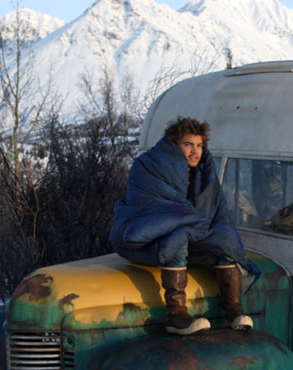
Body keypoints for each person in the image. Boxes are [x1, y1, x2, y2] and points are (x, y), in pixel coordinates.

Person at [109, 117, 259, 335]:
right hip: (147, 238)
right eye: (188, 145)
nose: (195, 151)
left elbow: (217, 210)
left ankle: (233, 310)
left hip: (191, 233)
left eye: (199, 146)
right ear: (173, 145)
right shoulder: (149, 166)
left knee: (224, 241)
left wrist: (198, 225)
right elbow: (151, 207)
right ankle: (176, 315)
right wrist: (187, 220)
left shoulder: (202, 173)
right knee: (176, 238)